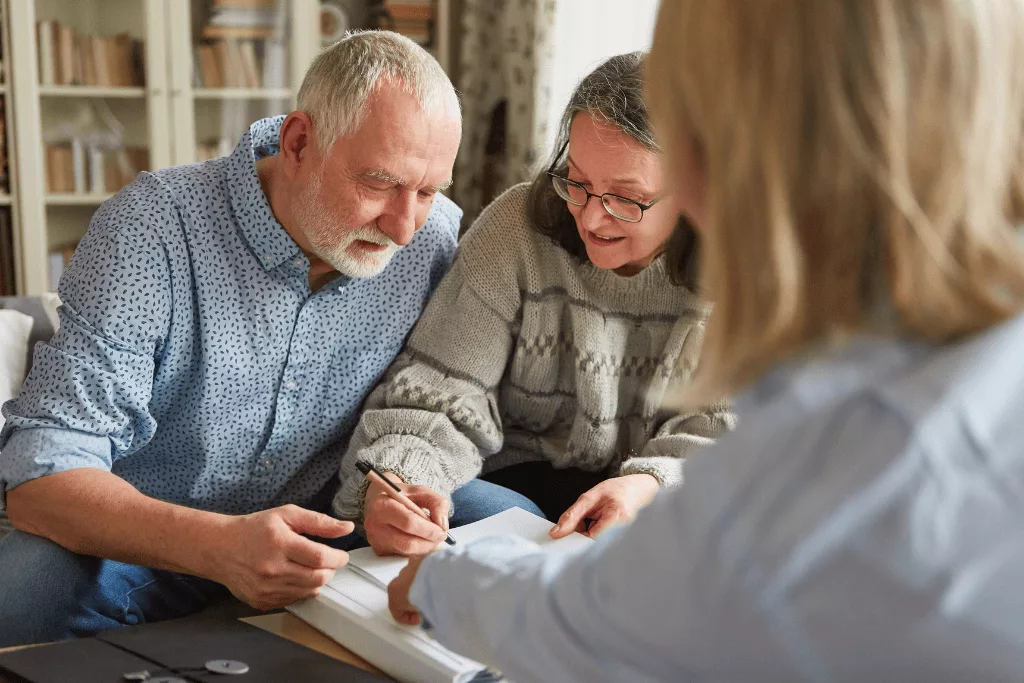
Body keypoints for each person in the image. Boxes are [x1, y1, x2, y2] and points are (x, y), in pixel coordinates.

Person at [386, 1, 1024, 681]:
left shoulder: (833, 443)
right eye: (580, 181)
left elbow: (615, 612)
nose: (598, 214)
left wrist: (444, 579)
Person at [0, 31, 462, 647]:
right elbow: (40, 480)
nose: (404, 228)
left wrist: (393, 489)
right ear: (299, 142)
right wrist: (218, 546)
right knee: (20, 587)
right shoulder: (151, 228)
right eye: (378, 184)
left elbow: (426, 403)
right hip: (148, 547)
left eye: (428, 191)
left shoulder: (437, 241)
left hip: (329, 529)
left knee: (504, 524)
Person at [333, 52, 732, 557]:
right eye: (579, 182)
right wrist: (402, 480)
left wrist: (650, 483)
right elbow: (441, 388)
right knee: (462, 515)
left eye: (625, 198)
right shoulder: (516, 229)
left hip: (652, 499)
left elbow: (725, 430)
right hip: (509, 491)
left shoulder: (741, 263)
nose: (590, 218)